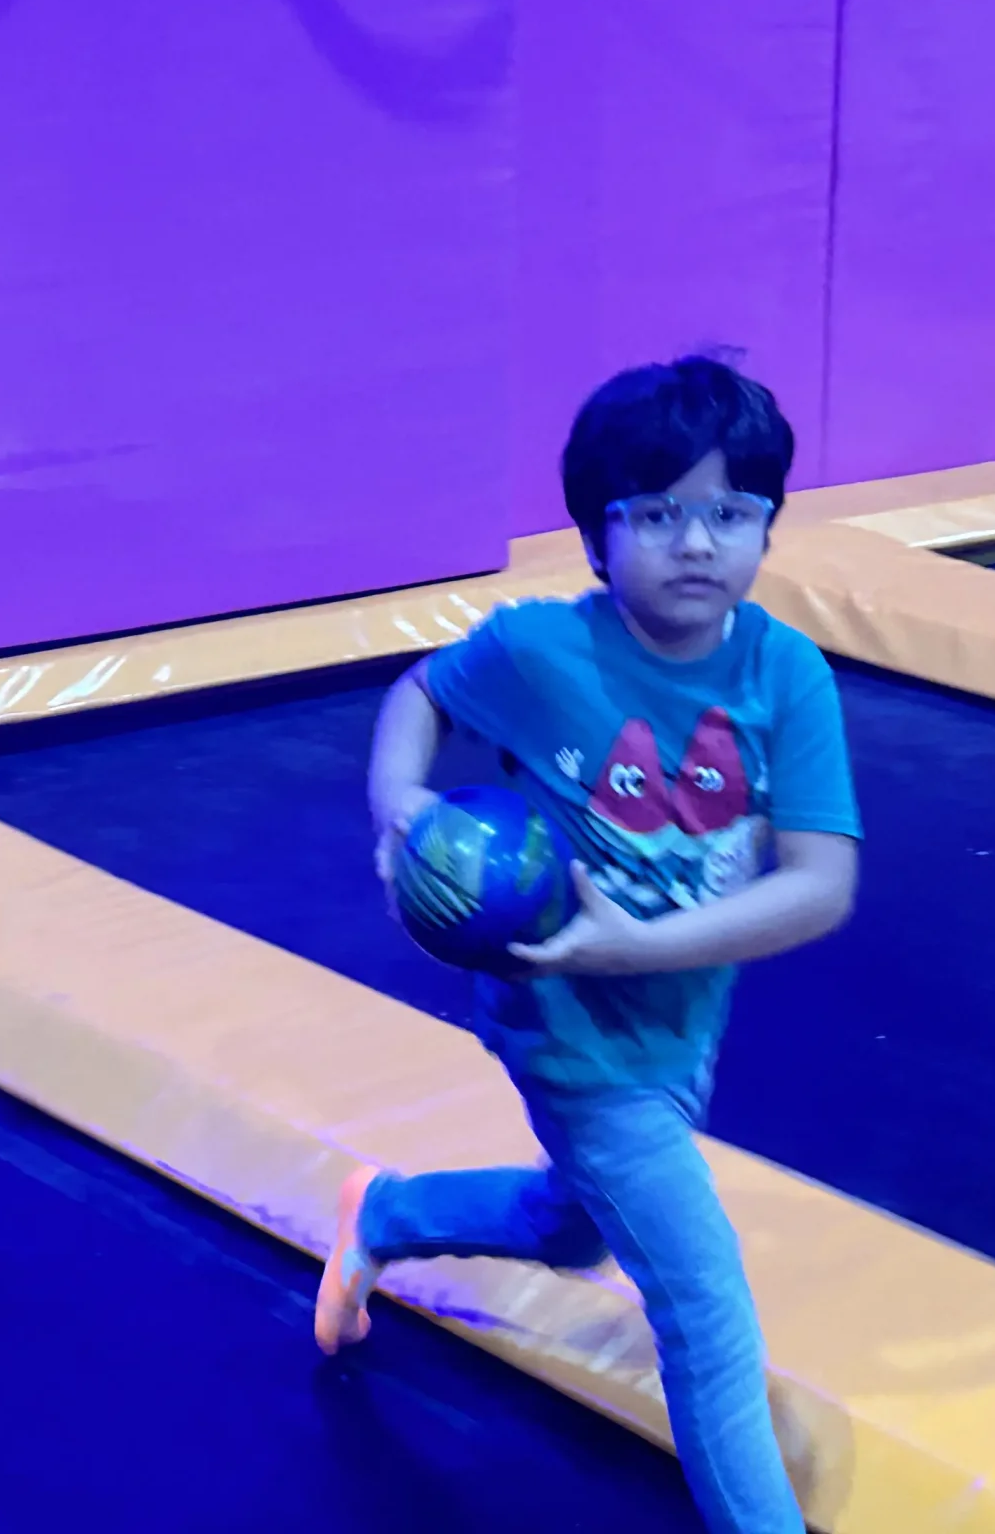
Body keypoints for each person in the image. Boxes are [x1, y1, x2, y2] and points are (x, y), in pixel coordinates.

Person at [317, 355, 861, 1534]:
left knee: (568, 1226)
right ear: (596, 534)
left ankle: (384, 1217)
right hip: (564, 1032)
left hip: (676, 1022)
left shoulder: (785, 675)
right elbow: (421, 693)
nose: (697, 542)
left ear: (766, 522)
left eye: (729, 512)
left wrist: (632, 951)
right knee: (704, 1310)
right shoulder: (539, 654)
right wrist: (397, 809)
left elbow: (821, 886)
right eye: (657, 514)